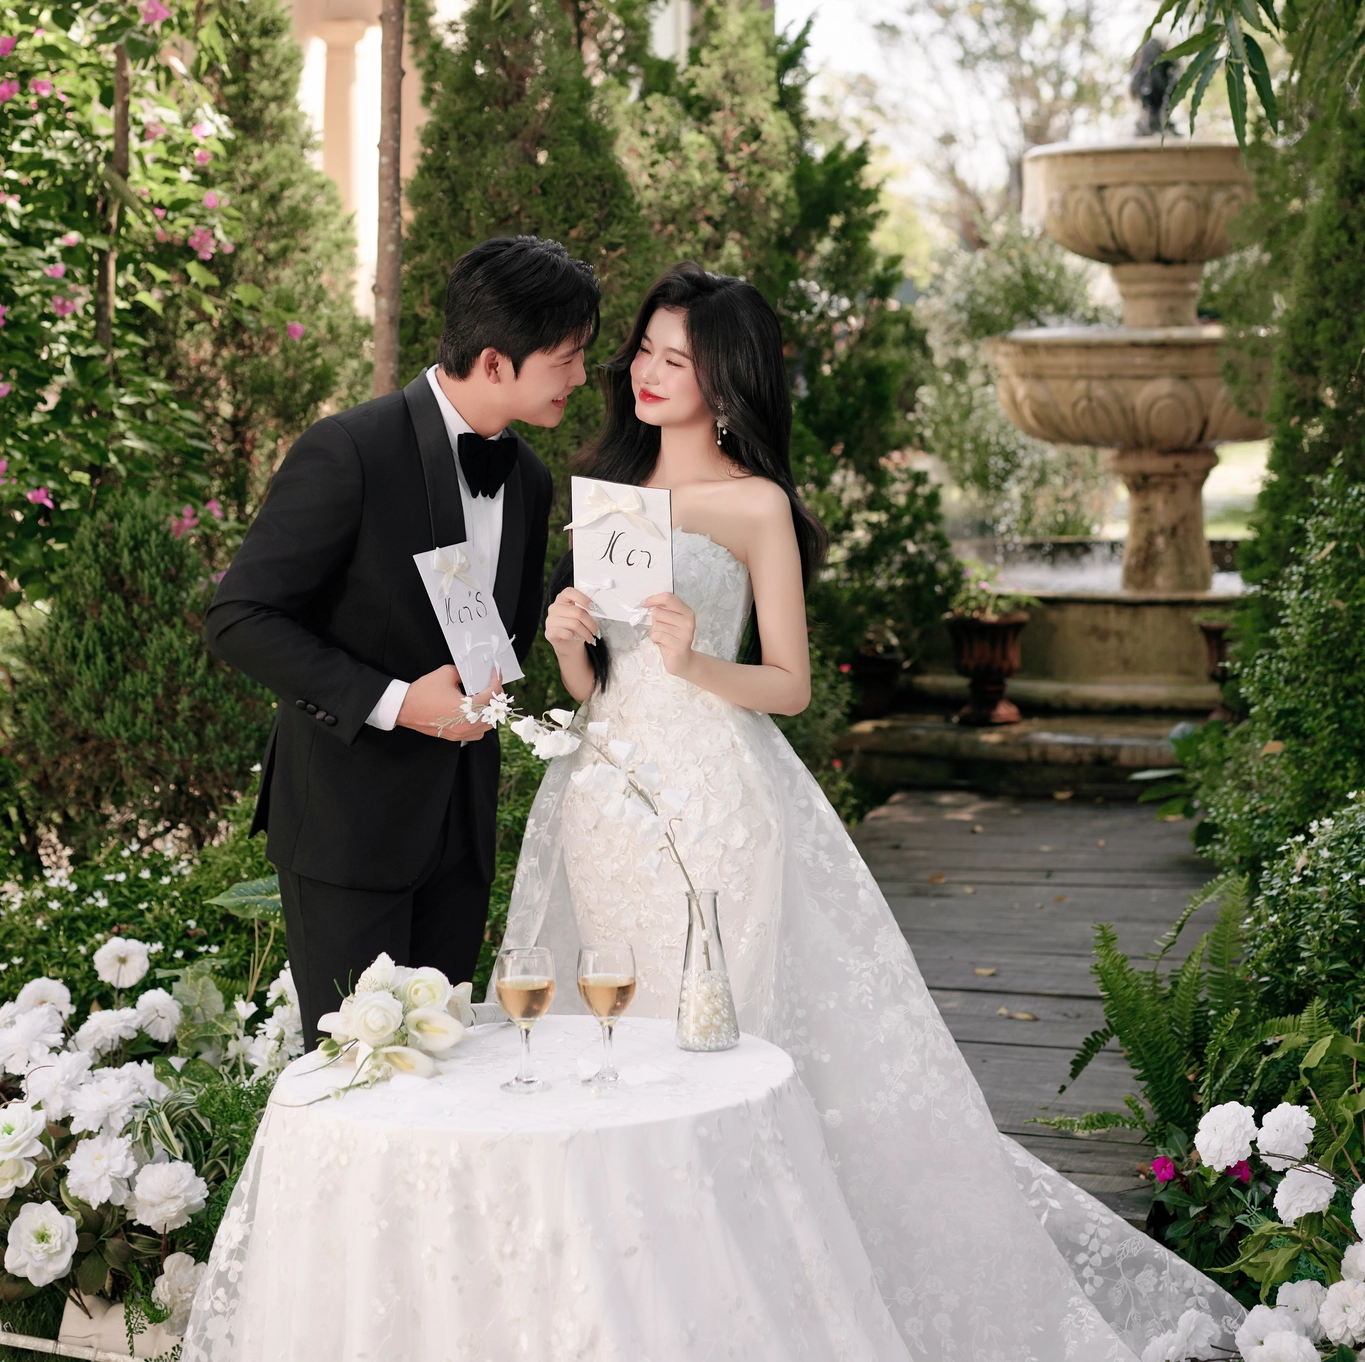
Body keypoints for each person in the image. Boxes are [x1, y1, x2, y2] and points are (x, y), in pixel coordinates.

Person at [506, 261, 1242, 1362]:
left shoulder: (755, 505)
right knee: (609, 1030)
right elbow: (592, 685)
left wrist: (696, 657)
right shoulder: (609, 490)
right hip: (604, 800)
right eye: (645, 351)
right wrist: (571, 640)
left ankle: (737, 1282)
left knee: (709, 1032)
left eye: (677, 359)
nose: (649, 372)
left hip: (714, 802)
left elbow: (790, 685)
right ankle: (628, 1279)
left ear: (726, 380)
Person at [207, 235, 598, 1049]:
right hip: (347, 828)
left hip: (461, 831)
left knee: (446, 1078)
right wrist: (395, 702)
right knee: (357, 1074)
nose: (582, 377)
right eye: (566, 359)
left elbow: (498, 636)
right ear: (494, 362)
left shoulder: (528, 478)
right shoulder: (349, 449)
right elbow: (239, 617)